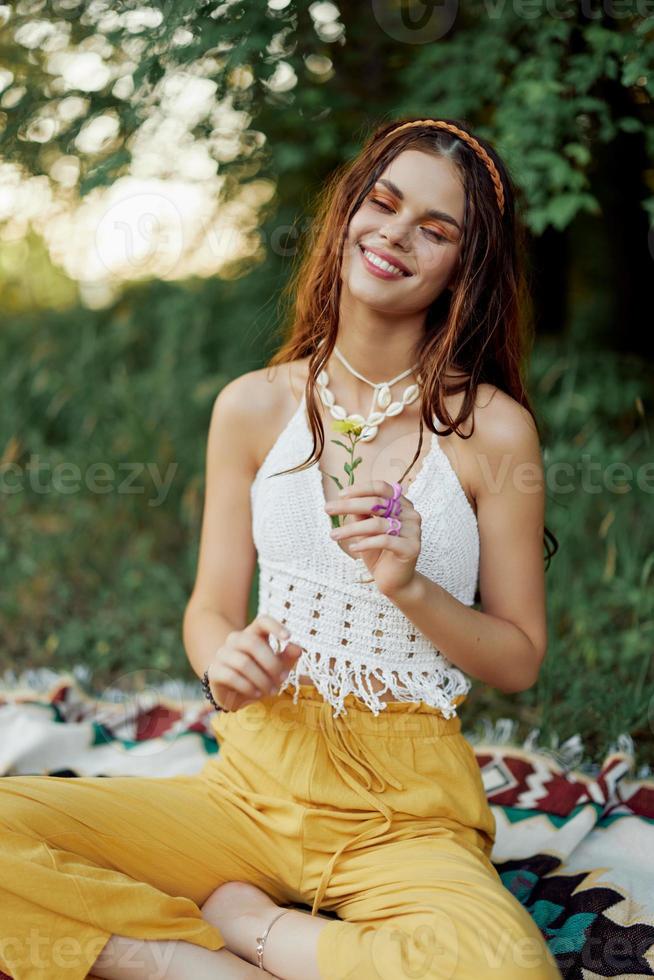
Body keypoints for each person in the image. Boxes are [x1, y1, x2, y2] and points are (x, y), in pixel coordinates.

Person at [0, 117, 562, 980]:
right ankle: (169, 962)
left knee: (504, 967)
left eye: (435, 230)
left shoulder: (492, 431)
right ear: (345, 216)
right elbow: (211, 608)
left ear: (465, 267)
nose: (395, 236)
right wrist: (221, 661)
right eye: (382, 204)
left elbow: (519, 658)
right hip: (250, 787)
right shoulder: (252, 407)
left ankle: (254, 934)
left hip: (404, 811)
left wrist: (411, 586)